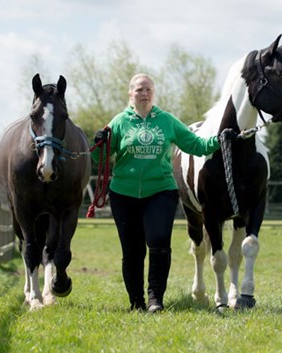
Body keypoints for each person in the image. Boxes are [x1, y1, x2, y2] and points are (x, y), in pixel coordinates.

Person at [91, 73, 226, 313]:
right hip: (124, 193)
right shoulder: (120, 122)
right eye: (139, 90)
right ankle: (136, 302)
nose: (144, 94)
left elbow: (196, 145)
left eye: (148, 90)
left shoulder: (167, 120)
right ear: (130, 94)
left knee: (159, 243)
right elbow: (98, 159)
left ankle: (155, 299)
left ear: (154, 93)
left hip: (161, 192)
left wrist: (221, 140)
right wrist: (98, 143)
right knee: (132, 251)